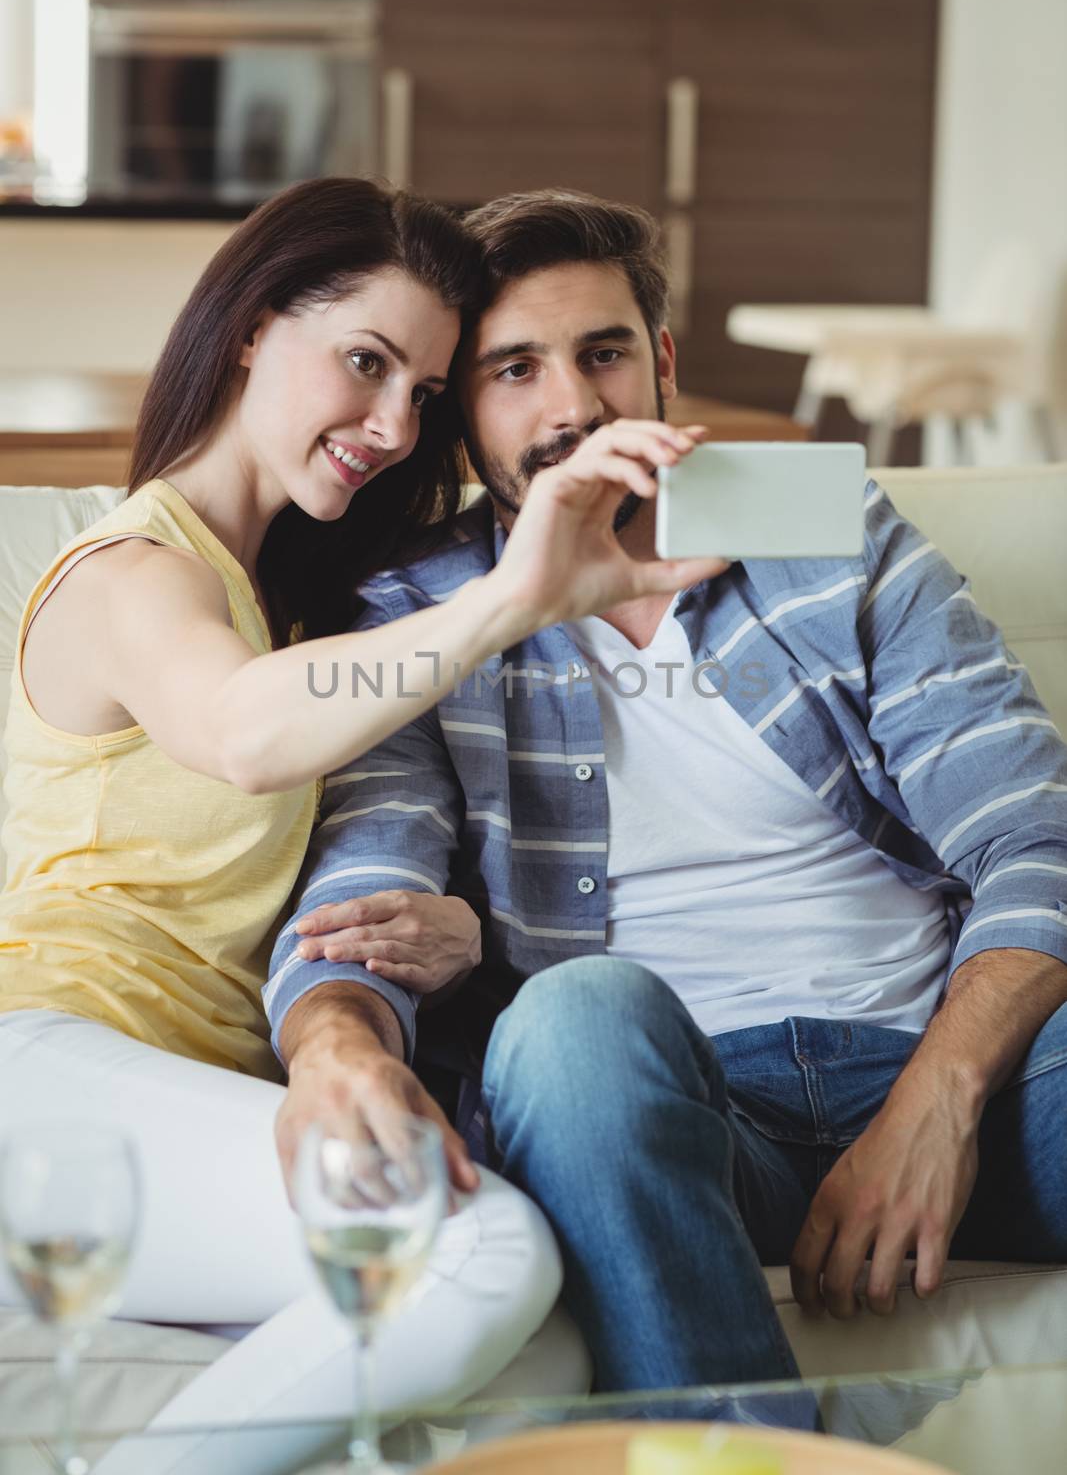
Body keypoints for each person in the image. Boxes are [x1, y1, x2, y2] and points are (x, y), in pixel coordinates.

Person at [268, 187, 1067, 1396]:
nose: (574, 406)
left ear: (662, 364)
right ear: (455, 406)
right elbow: (365, 879)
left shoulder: (821, 524)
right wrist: (333, 1042)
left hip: (957, 1076)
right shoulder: (420, 611)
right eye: (513, 369)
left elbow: (1031, 829)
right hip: (668, 1111)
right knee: (572, 1020)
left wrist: (934, 1104)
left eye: (602, 355)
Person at [0, 177, 725, 1463]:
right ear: (249, 329)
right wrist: (514, 596)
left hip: (190, 1099)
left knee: (548, 1351)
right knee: (465, 1247)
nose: (393, 424)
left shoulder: (284, 599)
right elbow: (236, 730)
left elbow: (335, 828)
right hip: (44, 1069)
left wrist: (453, 926)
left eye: (425, 392)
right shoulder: (136, 570)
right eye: (363, 362)